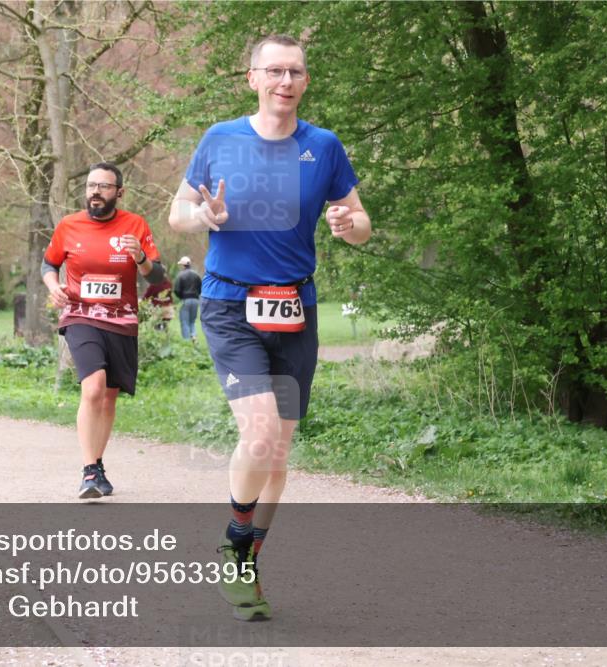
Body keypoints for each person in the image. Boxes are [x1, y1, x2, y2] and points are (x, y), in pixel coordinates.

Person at [168, 35, 371, 620]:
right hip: (231, 306)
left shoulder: (323, 147)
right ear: (252, 77)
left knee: (277, 454)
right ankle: (233, 545)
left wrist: (346, 223)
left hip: (295, 310)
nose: (286, 81)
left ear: (306, 81)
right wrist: (202, 215)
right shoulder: (220, 139)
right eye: (275, 71)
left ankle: (248, 560)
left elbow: (362, 222)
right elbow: (178, 213)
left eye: (296, 72)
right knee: (258, 435)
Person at [43, 162, 165, 499]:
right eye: (91, 185)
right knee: (93, 388)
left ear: (119, 192)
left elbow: (157, 278)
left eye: (104, 186)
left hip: (122, 319)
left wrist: (140, 257)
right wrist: (53, 284)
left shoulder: (135, 225)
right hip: (80, 315)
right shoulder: (69, 226)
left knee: (109, 397)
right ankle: (88, 471)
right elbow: (49, 263)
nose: (95, 192)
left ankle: (97, 464)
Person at [173, 256, 202, 340]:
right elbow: (200, 288)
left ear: (183, 265)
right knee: (192, 321)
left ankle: (186, 341)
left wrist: (181, 297)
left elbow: (176, 290)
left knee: (185, 322)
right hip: (196, 300)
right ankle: (194, 336)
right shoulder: (196, 275)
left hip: (185, 300)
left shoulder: (180, 275)